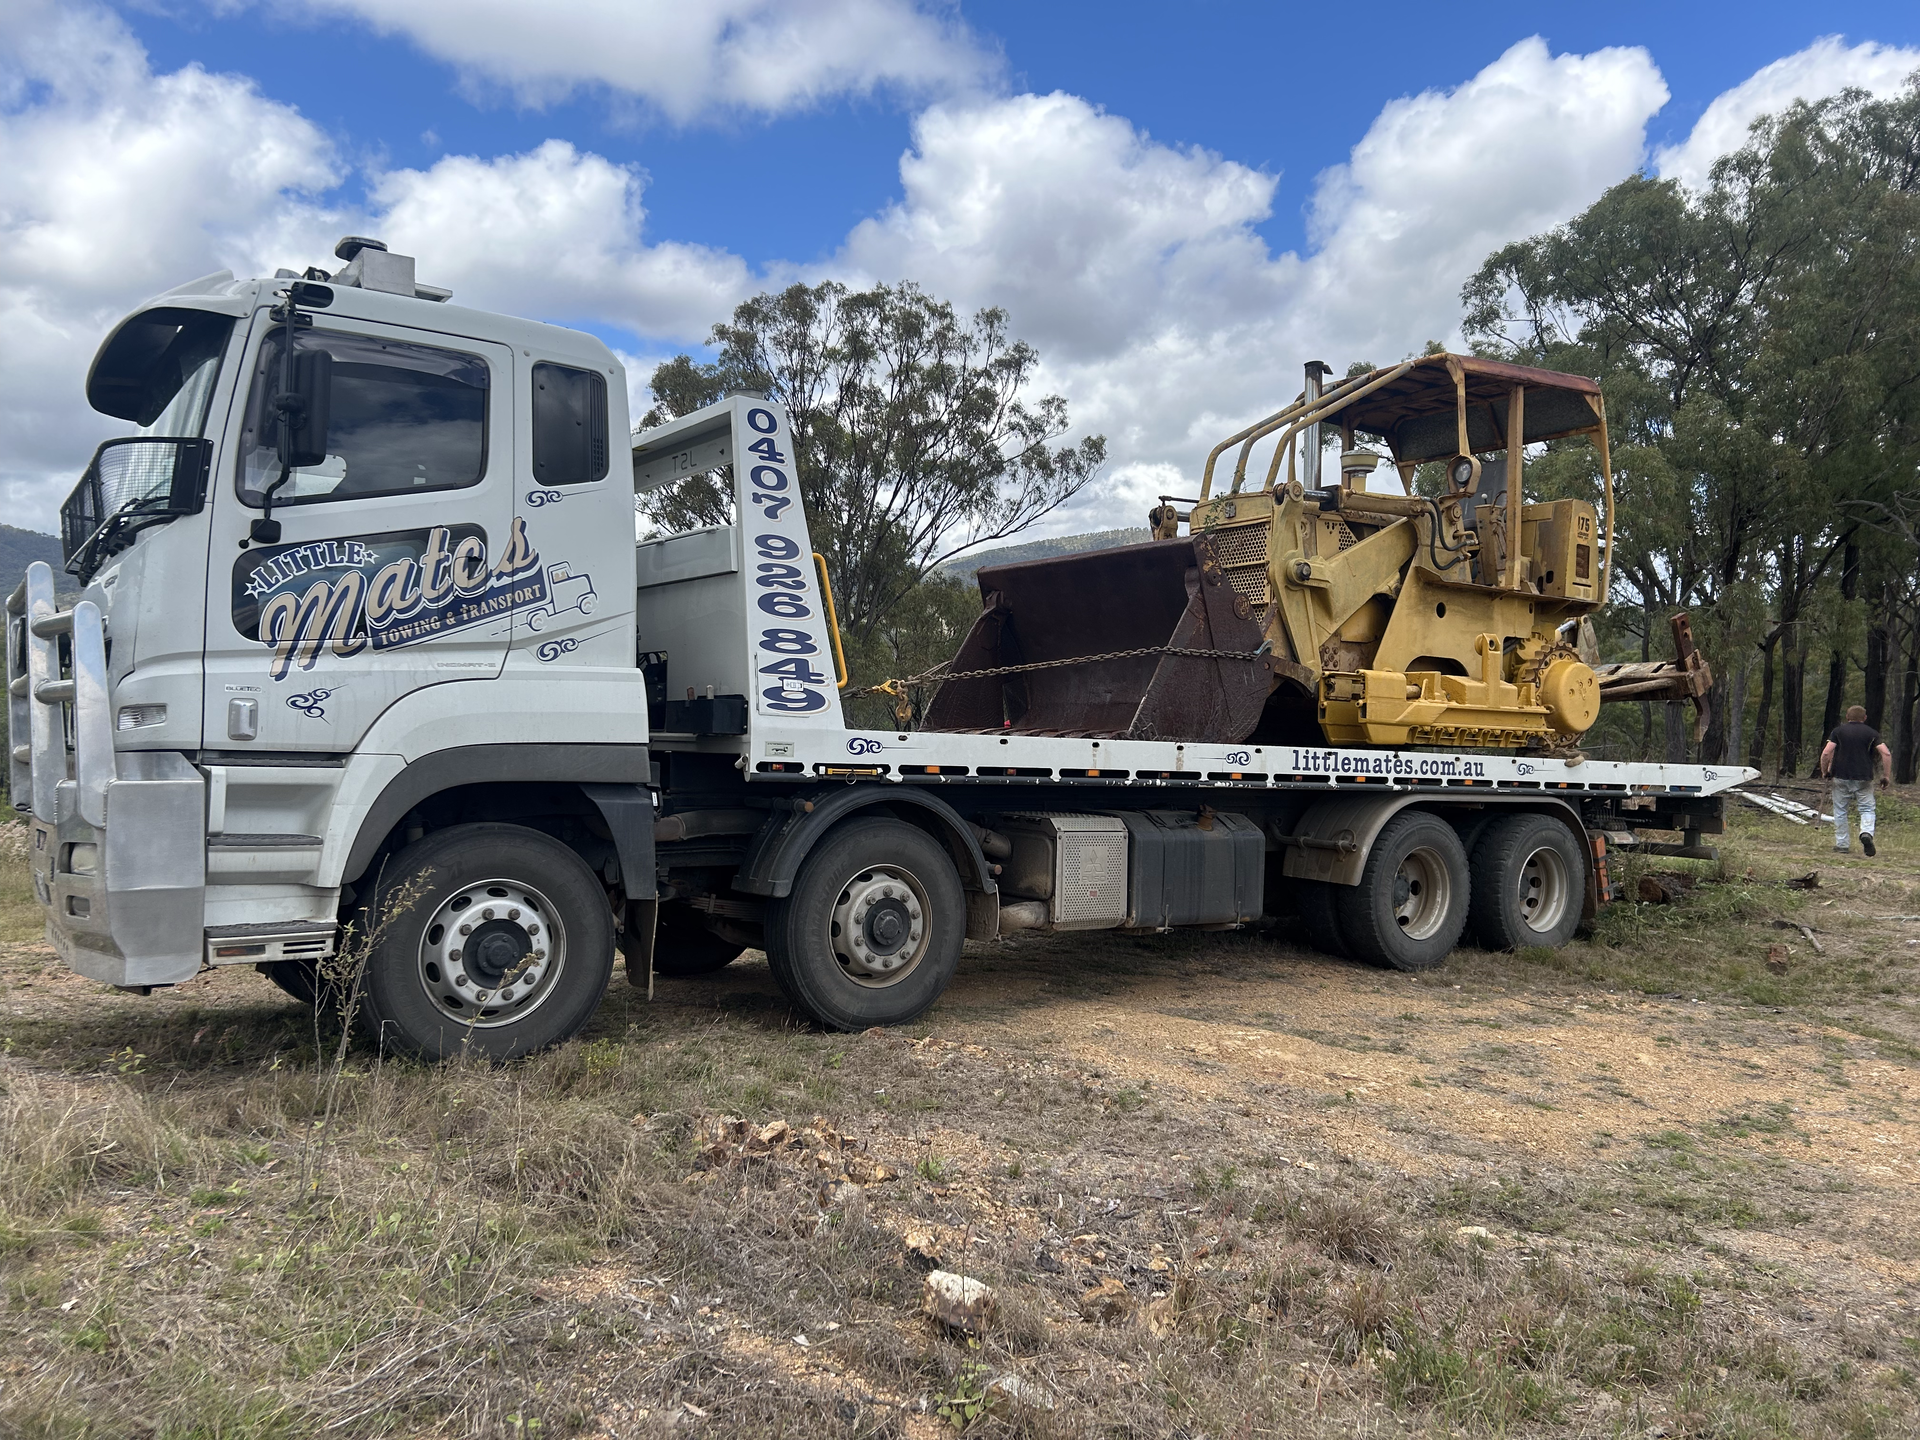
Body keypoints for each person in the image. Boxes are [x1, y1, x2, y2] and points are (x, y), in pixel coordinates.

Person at [1820, 705, 1893, 856]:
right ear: (1864, 718)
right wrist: (1886, 776)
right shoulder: (1871, 733)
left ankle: (1842, 844)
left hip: (1840, 775)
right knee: (1867, 808)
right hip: (1864, 777)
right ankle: (1866, 832)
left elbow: (1827, 752)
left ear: (1847, 717)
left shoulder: (1838, 731)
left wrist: (1825, 771)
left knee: (1840, 810)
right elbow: (1886, 753)